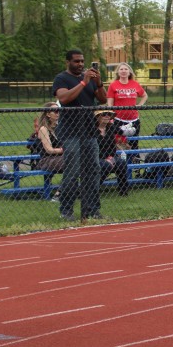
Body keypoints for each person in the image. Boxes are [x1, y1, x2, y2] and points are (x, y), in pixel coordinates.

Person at [52, 49, 106, 221]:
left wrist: (98, 83)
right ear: (67, 62)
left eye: (82, 61)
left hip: (89, 130)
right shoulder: (61, 78)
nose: (80, 64)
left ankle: (92, 209)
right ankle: (66, 209)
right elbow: (64, 98)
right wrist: (83, 82)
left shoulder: (89, 78)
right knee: (73, 170)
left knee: (93, 170)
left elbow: (103, 99)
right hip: (71, 131)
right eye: (76, 61)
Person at [106, 63, 147, 150]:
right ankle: (120, 159)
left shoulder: (135, 84)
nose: (123, 71)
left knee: (134, 145)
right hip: (118, 120)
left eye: (126, 69)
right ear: (118, 72)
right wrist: (111, 117)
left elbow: (144, 95)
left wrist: (139, 105)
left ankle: (134, 158)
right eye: (121, 69)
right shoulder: (113, 85)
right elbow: (110, 103)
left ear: (129, 72)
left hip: (134, 120)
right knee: (119, 145)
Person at [95, 109, 129, 196]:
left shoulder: (111, 127)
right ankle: (93, 190)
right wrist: (106, 159)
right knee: (106, 165)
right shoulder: (92, 129)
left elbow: (123, 132)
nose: (107, 116)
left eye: (109, 114)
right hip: (95, 157)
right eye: (104, 114)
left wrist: (130, 128)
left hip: (111, 156)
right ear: (97, 117)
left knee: (121, 163)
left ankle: (123, 191)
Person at [34, 102, 64, 173]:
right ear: (48, 114)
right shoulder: (43, 129)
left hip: (60, 158)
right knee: (71, 159)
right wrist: (64, 150)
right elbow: (49, 150)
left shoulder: (59, 128)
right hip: (46, 160)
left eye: (59, 111)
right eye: (55, 111)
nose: (58, 113)